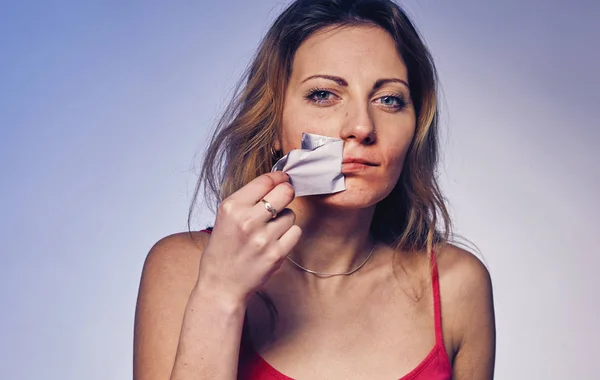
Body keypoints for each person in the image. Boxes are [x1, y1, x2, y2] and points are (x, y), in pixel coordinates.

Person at [133, 0, 496, 379]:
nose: (361, 127)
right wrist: (220, 295)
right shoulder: (183, 268)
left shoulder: (458, 286)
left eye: (389, 99)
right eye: (324, 94)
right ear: (273, 124)